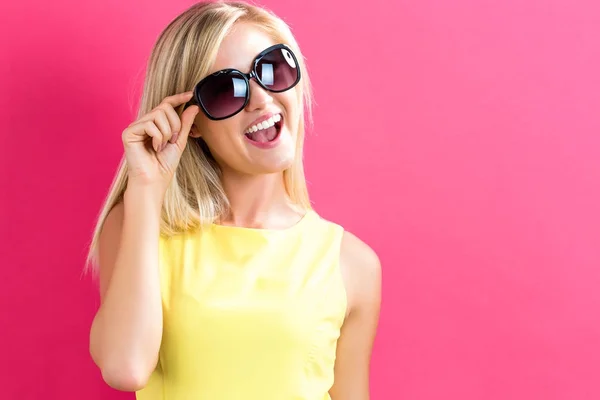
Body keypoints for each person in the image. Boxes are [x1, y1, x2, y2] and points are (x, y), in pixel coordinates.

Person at [85, 1, 381, 399]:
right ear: (191, 123)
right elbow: (126, 368)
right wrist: (145, 187)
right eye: (227, 90)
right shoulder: (140, 226)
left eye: (273, 67)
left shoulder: (352, 263)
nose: (261, 100)